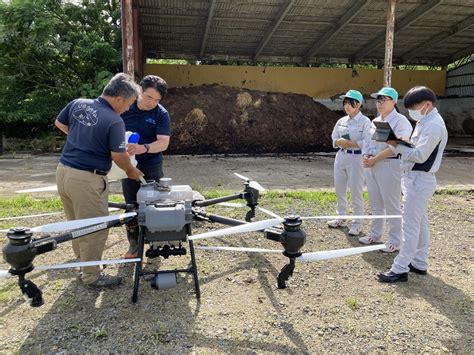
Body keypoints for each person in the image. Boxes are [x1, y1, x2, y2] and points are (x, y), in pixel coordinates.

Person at [55, 73, 143, 288]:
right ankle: (91, 276)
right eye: (130, 103)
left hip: (63, 172)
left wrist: (81, 139)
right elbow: (119, 156)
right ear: (120, 98)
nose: (128, 109)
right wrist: (132, 171)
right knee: (94, 228)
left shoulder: (79, 103)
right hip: (87, 179)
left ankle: (85, 265)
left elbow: (59, 123)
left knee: (77, 222)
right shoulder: (114, 120)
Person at [379, 86, 448, 282]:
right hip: (415, 179)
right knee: (420, 223)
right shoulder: (425, 121)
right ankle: (419, 262)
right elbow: (416, 148)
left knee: (409, 225)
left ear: (427, 105)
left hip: (420, 179)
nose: (411, 112)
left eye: (413, 107)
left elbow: (419, 155)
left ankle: (400, 268)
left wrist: (396, 144)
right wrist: (402, 143)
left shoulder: (434, 125)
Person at [120, 75, 172, 258]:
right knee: (130, 206)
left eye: (157, 100)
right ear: (139, 90)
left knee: (155, 204)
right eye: (149, 97)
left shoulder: (161, 114)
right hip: (127, 165)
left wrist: (144, 148)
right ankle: (134, 244)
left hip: (152, 165)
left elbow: (163, 143)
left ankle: (155, 242)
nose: (152, 103)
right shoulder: (125, 107)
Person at [359, 87, 413, 252]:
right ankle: (375, 234)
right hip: (372, 165)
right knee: (376, 203)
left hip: (390, 165)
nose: (380, 103)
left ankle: (395, 241)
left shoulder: (401, 121)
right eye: (378, 99)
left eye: (384, 99)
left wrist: (375, 159)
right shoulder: (375, 121)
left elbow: (398, 146)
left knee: (391, 204)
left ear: (394, 102)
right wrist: (366, 156)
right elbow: (367, 142)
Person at [327, 90, 371, 236]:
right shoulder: (342, 121)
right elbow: (334, 136)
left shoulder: (365, 122)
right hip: (341, 156)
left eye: (350, 103)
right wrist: (338, 142)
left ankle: (357, 223)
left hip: (356, 158)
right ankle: (341, 217)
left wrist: (351, 143)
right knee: (340, 189)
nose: (347, 106)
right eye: (345, 103)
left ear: (358, 105)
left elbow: (367, 142)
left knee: (356, 191)